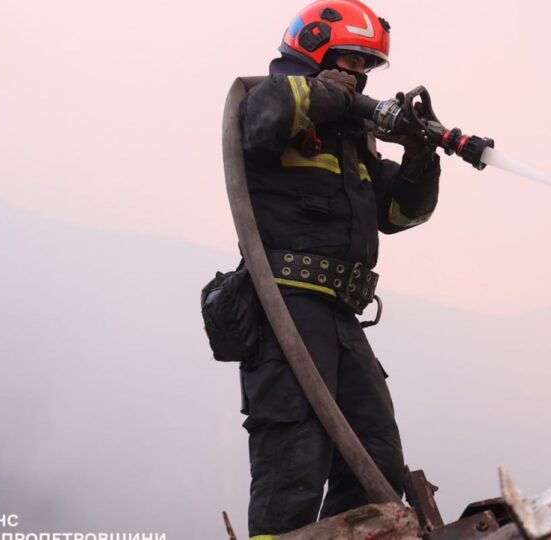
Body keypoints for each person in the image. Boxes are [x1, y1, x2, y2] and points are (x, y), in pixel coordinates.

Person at [237, 0, 441, 536]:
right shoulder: (267, 97)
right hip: (286, 306)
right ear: (314, 49)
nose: (361, 75)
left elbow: (399, 214)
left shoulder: (350, 139)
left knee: (375, 455)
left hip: (340, 317)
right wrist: (336, 94)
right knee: (295, 456)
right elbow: (269, 120)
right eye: (351, 62)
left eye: (366, 67)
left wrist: (422, 154)